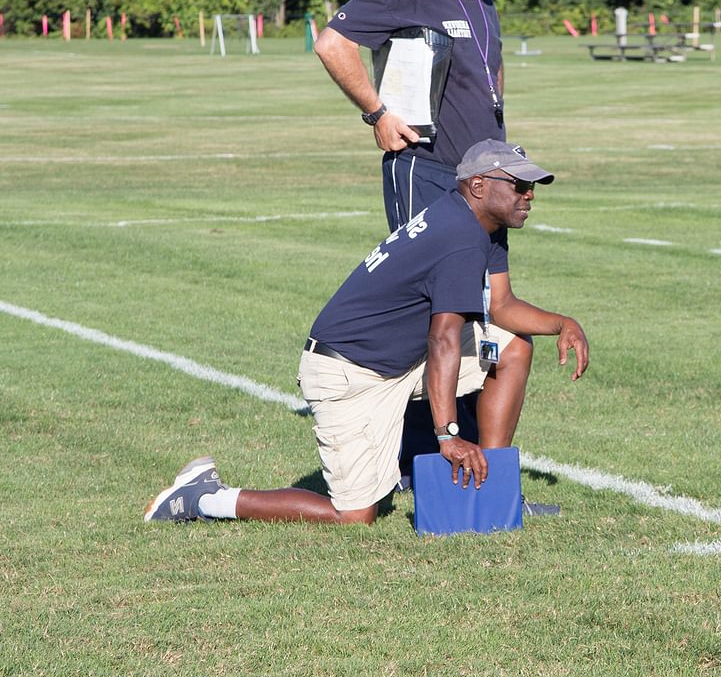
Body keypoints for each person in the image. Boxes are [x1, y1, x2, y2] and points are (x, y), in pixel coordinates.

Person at [144, 140, 589, 527]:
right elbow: (444, 341)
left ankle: (491, 498)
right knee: (354, 516)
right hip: (349, 372)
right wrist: (448, 435)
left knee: (511, 346)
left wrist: (562, 324)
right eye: (519, 185)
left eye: (531, 187)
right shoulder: (460, 235)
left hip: (397, 358)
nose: (529, 195)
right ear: (478, 186)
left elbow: (501, 306)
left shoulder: (481, 224)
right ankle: (202, 498)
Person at [314, 0, 527, 471]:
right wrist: (377, 114)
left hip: (483, 182)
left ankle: (485, 475)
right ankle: (422, 460)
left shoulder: (482, 4)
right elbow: (333, 43)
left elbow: (493, 74)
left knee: (481, 315)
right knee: (437, 317)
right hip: (428, 173)